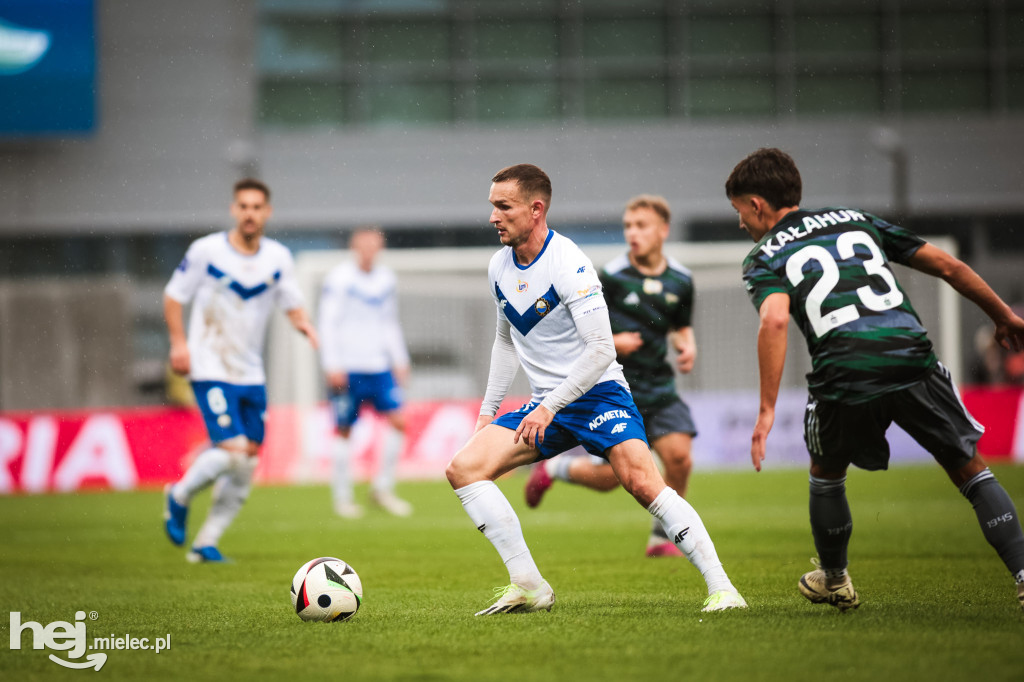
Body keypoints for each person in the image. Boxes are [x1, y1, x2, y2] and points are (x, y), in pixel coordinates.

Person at [725, 147, 1024, 612]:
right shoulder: (856, 219)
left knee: (826, 473)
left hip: (844, 372)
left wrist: (766, 411)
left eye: (739, 210)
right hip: (910, 358)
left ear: (757, 205)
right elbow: (948, 266)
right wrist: (1002, 316)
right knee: (970, 469)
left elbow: (775, 322)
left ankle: (835, 578)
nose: (741, 222)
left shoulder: (763, 256)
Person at [445, 163, 746, 615]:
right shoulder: (498, 266)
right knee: (463, 468)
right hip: (544, 405)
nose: (493, 216)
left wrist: (549, 406)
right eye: (492, 206)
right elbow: (505, 342)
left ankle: (724, 590)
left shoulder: (569, 263)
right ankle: (528, 585)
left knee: (644, 484)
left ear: (536, 208)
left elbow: (602, 349)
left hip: (599, 395)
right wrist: (487, 415)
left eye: (503, 206)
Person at [524, 195, 700, 558]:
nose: (633, 233)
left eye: (641, 226)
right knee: (611, 480)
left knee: (680, 458)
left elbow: (681, 327)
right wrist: (614, 341)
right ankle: (556, 469)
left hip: (659, 386)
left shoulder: (681, 280)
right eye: (628, 226)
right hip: (615, 387)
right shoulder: (612, 276)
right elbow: (579, 327)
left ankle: (661, 538)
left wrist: (687, 345)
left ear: (663, 230)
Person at [162, 178, 318, 563]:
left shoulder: (278, 257)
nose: (250, 213)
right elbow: (173, 295)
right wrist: (180, 344)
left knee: (247, 459)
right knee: (231, 450)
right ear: (234, 210)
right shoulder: (206, 251)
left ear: (267, 213)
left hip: (249, 371)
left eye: (256, 207)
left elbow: (290, 301)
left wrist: (305, 325)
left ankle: (205, 544)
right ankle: (178, 494)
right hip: (209, 363)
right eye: (243, 206)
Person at [317, 226, 413, 518]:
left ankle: (382, 488)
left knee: (398, 422)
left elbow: (389, 322)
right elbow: (327, 322)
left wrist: (399, 358)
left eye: (375, 244)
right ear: (354, 246)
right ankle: (342, 497)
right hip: (348, 368)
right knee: (345, 430)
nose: (370, 250)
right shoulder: (339, 279)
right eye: (364, 244)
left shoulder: (386, 279)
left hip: (379, 367)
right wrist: (332, 364)